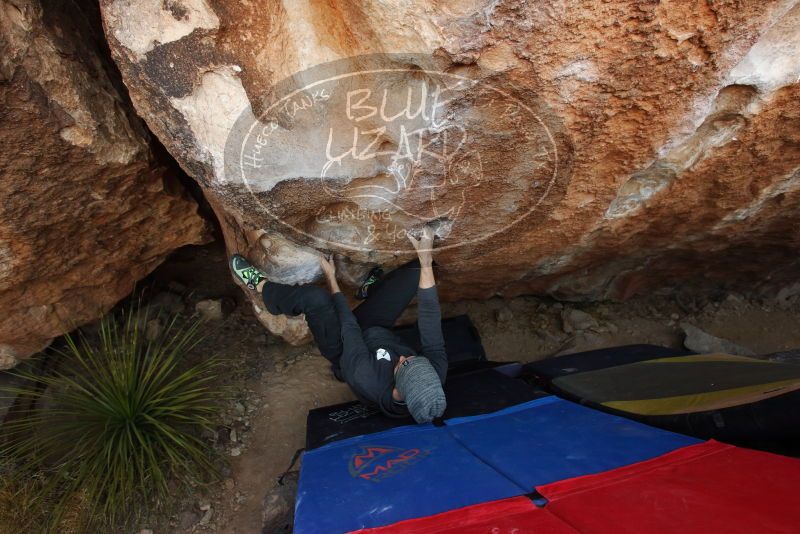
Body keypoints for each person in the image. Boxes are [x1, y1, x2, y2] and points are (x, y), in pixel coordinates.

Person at [229, 227, 447, 424]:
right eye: (411, 357)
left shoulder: (368, 376)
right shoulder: (431, 378)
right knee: (418, 272)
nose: (402, 357)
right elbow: (430, 318)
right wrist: (426, 261)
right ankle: (369, 290)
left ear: (398, 389)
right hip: (376, 333)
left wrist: (331, 277)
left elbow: (348, 326)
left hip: (344, 347)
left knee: (316, 299)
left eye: (402, 365)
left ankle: (261, 286)